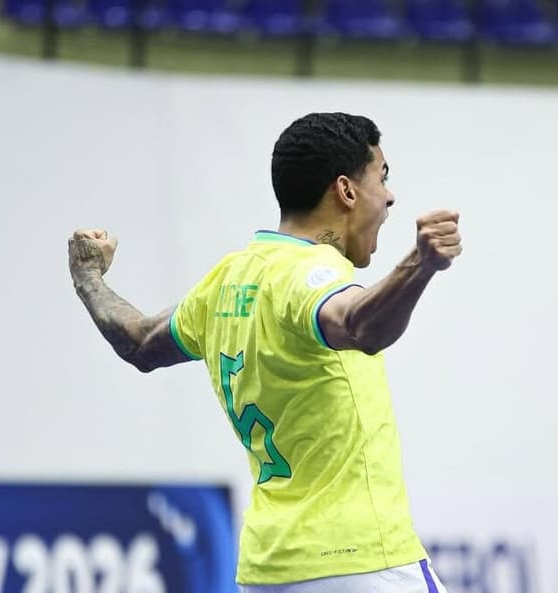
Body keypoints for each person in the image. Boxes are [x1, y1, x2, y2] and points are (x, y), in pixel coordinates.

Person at [68, 112, 461, 593]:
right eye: (382, 177)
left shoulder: (228, 280)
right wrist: (419, 265)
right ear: (347, 191)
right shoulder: (309, 272)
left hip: (267, 573)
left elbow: (138, 341)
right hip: (363, 563)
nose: (391, 196)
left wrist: (88, 278)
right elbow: (357, 324)